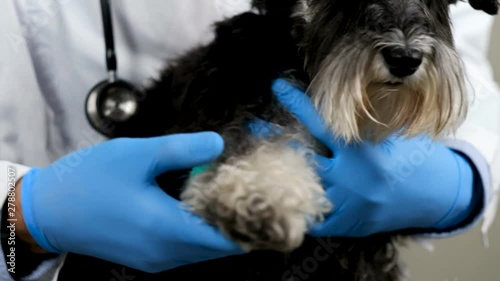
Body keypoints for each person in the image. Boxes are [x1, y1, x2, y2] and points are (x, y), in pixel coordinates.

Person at [0, 0, 499, 280]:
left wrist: (460, 179)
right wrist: (21, 212)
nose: (406, 44)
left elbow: (472, 78)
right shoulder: (242, 64)